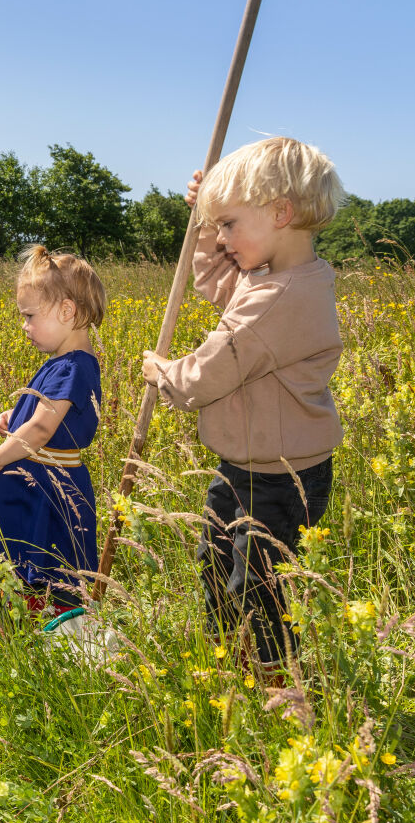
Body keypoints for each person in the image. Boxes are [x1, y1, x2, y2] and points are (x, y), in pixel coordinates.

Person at [142, 136, 346, 679]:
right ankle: (229, 677)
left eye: (231, 224)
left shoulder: (279, 297)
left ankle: (279, 693)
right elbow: (217, 279)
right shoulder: (275, 279)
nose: (224, 238)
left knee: (261, 591)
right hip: (243, 468)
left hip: (281, 481)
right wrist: (208, 217)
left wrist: (162, 373)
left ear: (281, 212)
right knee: (218, 576)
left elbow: (204, 377)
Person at [0, 246, 106, 614]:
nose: (24, 326)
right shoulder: (61, 363)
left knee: (50, 558)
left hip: (51, 482)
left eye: (30, 316)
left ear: (67, 311)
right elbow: (41, 413)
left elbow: (43, 428)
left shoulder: (75, 367)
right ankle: (25, 617)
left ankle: (56, 624)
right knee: (23, 554)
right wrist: (12, 416)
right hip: (35, 474)